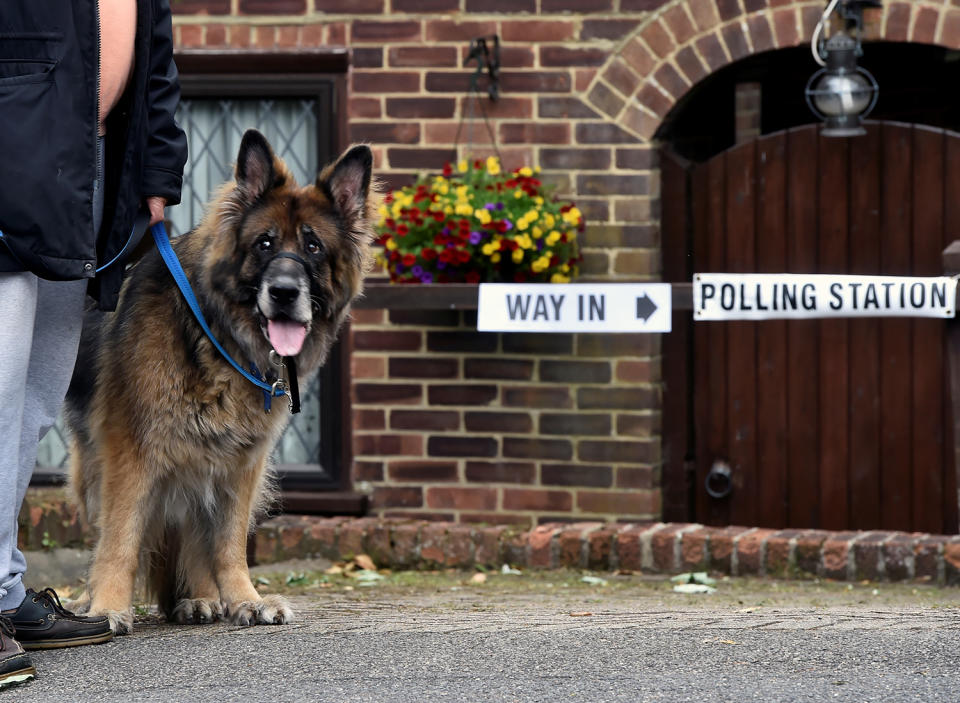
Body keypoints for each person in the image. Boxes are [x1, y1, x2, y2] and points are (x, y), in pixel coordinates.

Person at [0, 0, 188, 687]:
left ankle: (3, 590)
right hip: (16, 156)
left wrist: (157, 173)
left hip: (86, 173)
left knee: (34, 397)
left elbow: (153, 60)